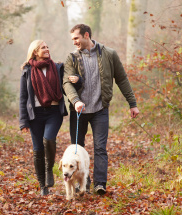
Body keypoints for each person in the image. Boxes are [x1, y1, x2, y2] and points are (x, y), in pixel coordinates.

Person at [63, 24, 140, 195]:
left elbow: (122, 79)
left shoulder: (109, 54)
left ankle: (100, 184)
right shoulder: (72, 58)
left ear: (86, 35)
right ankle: (82, 183)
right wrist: (75, 101)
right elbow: (66, 83)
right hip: (79, 111)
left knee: (100, 148)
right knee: (77, 148)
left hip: (100, 109)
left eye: (76, 38)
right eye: (72, 39)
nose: (74, 42)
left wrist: (132, 103)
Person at [19, 40, 69, 196]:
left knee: (48, 139)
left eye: (47, 46)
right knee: (37, 150)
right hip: (35, 115)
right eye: (43, 48)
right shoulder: (27, 71)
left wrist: (77, 81)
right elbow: (23, 98)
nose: (47, 49)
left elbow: (68, 86)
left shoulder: (57, 67)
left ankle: (49, 169)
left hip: (54, 112)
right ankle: (43, 186)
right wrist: (23, 121)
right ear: (35, 51)